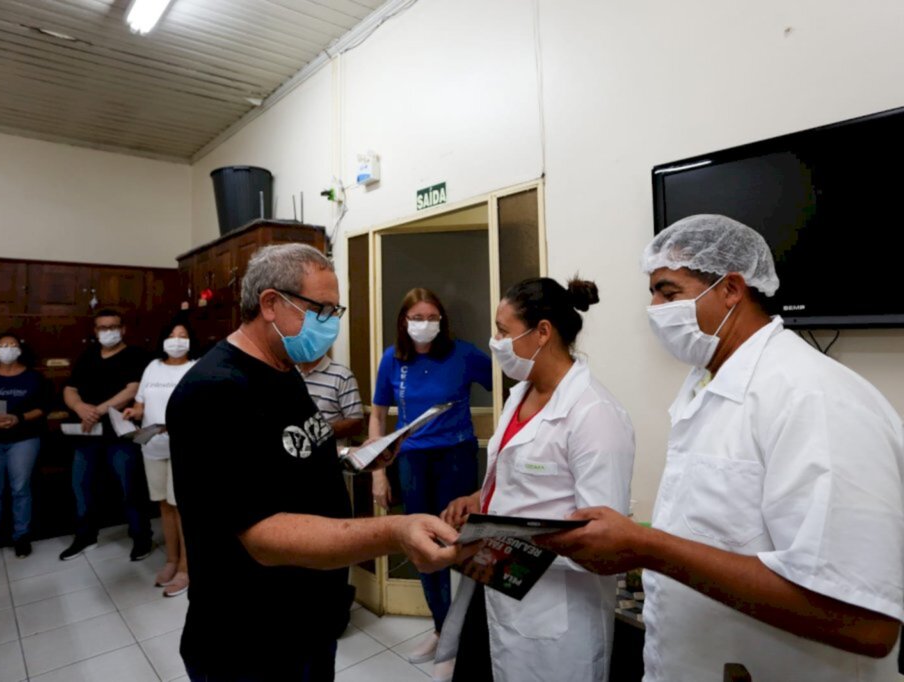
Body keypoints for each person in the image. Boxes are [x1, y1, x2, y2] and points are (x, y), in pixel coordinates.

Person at [539, 214, 904, 681]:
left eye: (669, 293)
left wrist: (646, 547)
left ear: (731, 288)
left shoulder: (814, 397)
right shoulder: (706, 387)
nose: (654, 309)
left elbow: (865, 622)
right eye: (652, 293)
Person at [166, 243, 471, 682]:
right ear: (271, 303)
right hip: (250, 635)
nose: (330, 324)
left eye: (335, 311)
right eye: (321, 310)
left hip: (307, 616)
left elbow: (293, 452)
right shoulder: (215, 391)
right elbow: (263, 535)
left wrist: (353, 457)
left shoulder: (282, 367)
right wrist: (395, 532)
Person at [440, 277, 635, 682]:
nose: (494, 340)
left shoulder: (594, 415)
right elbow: (525, 480)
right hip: (498, 582)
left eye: (503, 330)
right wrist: (482, 500)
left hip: (555, 613)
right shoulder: (520, 394)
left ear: (543, 332)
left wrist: (492, 537)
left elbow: (603, 541)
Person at [369, 287, 492, 672]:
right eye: (418, 317)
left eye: (432, 317)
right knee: (421, 543)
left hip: (456, 455)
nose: (425, 324)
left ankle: (462, 633)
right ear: (404, 322)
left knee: (458, 540)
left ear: (443, 320)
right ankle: (441, 629)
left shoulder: (465, 355)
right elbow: (377, 415)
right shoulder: (392, 359)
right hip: (411, 459)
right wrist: (378, 474)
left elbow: (509, 385)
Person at [59, 309, 153, 562]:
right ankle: (85, 537)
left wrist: (98, 410)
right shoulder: (88, 356)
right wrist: (79, 408)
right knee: (82, 486)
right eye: (102, 327)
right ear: (95, 331)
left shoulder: (136, 355)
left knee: (130, 488)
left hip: (120, 435)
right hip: (87, 435)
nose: (107, 331)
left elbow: (132, 389)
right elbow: (70, 388)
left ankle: (141, 536)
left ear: (123, 329)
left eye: (112, 326)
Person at [123, 318, 197, 597]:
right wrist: (133, 413)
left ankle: (187, 569)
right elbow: (141, 402)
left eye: (183, 335)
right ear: (163, 340)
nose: (177, 340)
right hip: (152, 446)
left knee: (183, 508)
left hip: (184, 449)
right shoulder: (152, 367)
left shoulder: (196, 368)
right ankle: (171, 560)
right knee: (165, 506)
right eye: (172, 335)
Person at [0, 333, 50, 564]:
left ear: (20, 350)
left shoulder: (33, 378)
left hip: (23, 438)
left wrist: (18, 418)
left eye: (12, 345)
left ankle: (21, 536)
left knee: (21, 489)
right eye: (2, 346)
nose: (7, 349)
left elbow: (43, 407)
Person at [296, 355, 364, 443]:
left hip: (329, 453)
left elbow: (356, 423)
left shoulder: (342, 375)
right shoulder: (289, 372)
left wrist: (319, 432)